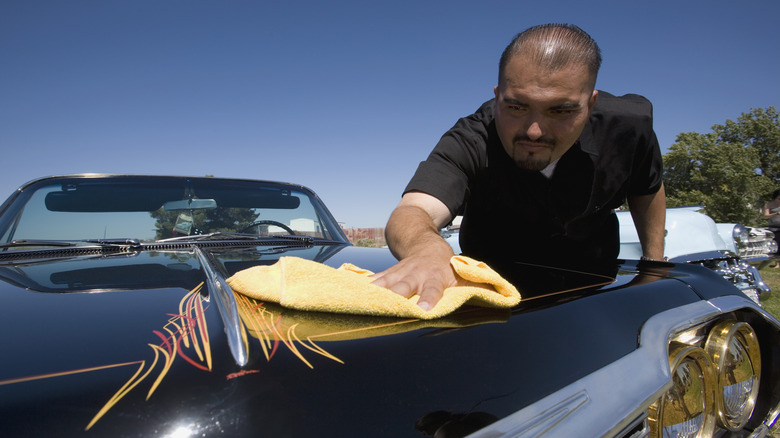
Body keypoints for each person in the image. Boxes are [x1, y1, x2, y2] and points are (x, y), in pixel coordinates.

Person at [371, 24, 666, 310]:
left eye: (560, 110)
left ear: (590, 104)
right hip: (494, 293)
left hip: (593, 282)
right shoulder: (471, 138)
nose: (534, 131)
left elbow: (647, 187)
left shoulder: (629, 127)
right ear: (499, 95)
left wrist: (653, 266)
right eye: (516, 107)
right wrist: (429, 251)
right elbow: (414, 211)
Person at [763, 189, 780, 256]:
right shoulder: (769, 204)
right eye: (779, 198)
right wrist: (776, 214)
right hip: (774, 228)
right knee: (776, 245)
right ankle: (777, 262)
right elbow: (766, 216)